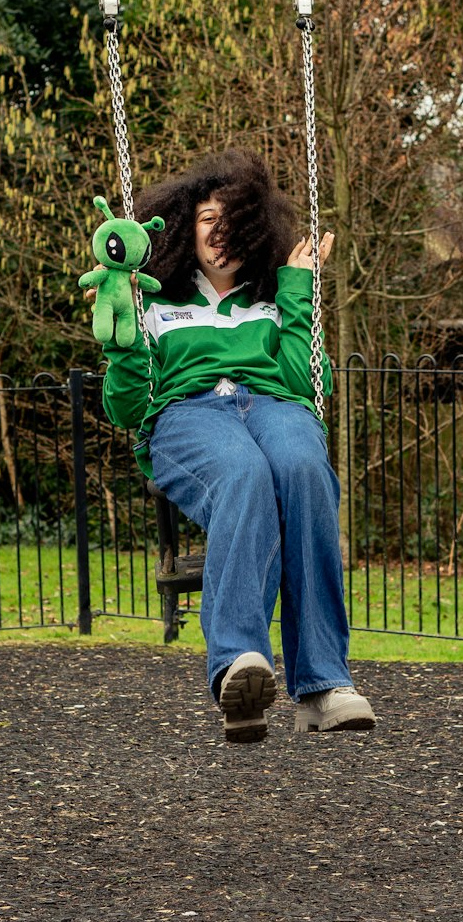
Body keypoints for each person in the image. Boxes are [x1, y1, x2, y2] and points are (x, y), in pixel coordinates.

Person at [94, 147, 376, 743]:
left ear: (256, 229)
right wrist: (121, 349)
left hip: (274, 405)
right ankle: (238, 665)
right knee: (244, 473)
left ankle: (324, 683)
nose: (220, 235)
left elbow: (305, 383)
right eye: (206, 221)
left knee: (303, 468)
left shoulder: (274, 300)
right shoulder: (152, 304)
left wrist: (298, 291)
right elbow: (124, 408)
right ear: (182, 230)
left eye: (233, 222)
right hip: (187, 415)